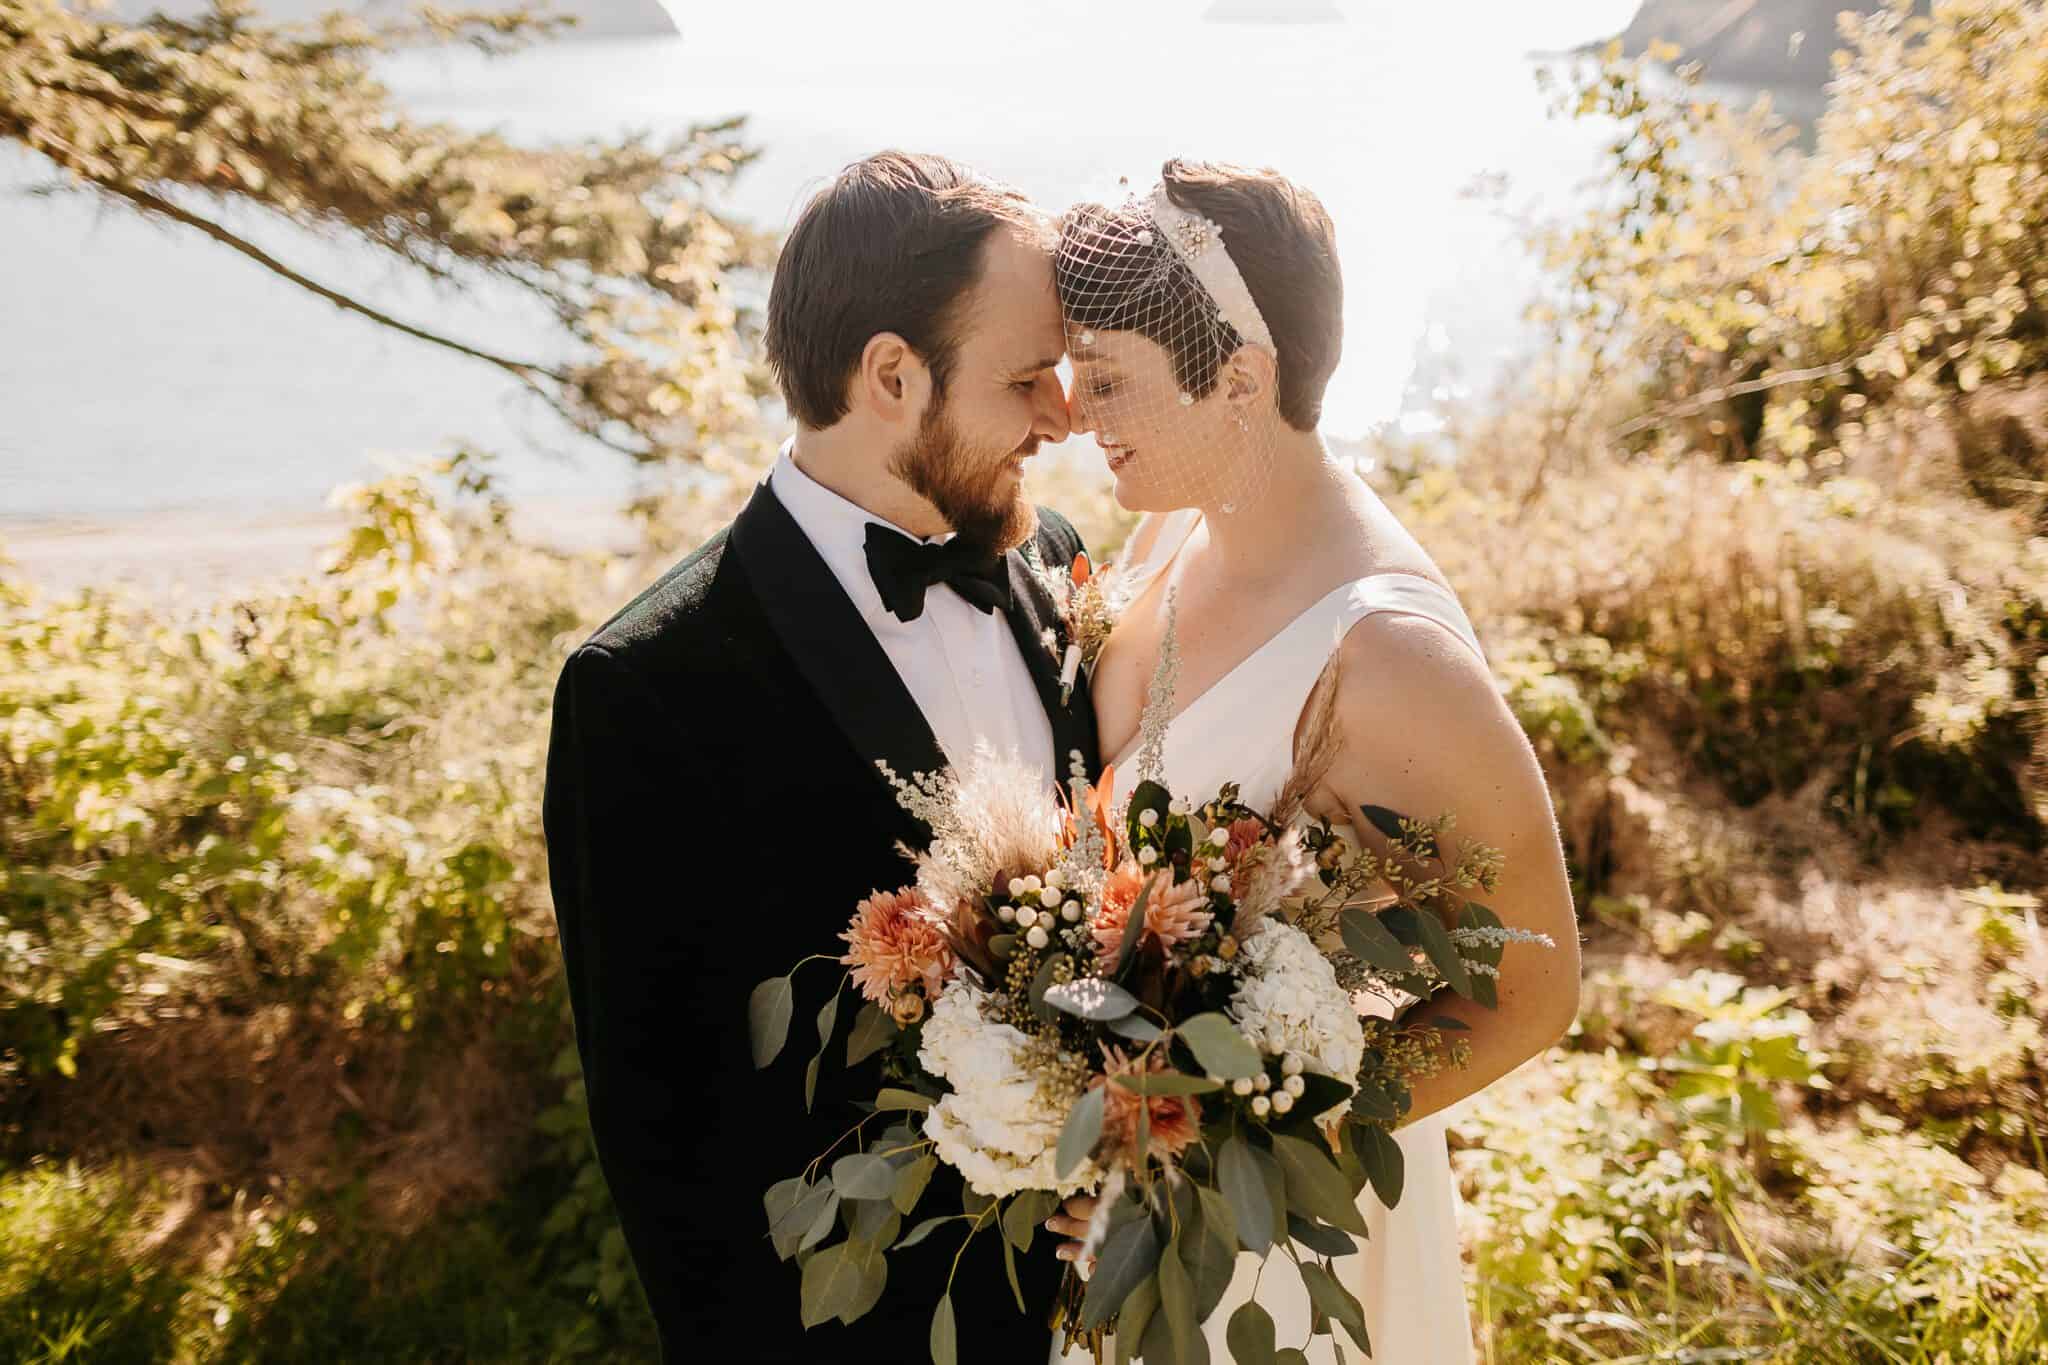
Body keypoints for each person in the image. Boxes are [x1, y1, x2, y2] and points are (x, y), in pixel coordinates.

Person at [543, 150, 1095, 1363]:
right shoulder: (645, 690)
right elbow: (663, 1143)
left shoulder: (1054, 560)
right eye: (1025, 376)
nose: (1065, 413)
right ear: (891, 375)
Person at [1043, 160, 1582, 1363]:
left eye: (1112, 377)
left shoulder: (1386, 657)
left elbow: (1533, 992)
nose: (1077, 410)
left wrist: (1237, 1146)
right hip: (1113, 1192)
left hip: (1258, 1242)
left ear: (1237, 379)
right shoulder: (1181, 518)